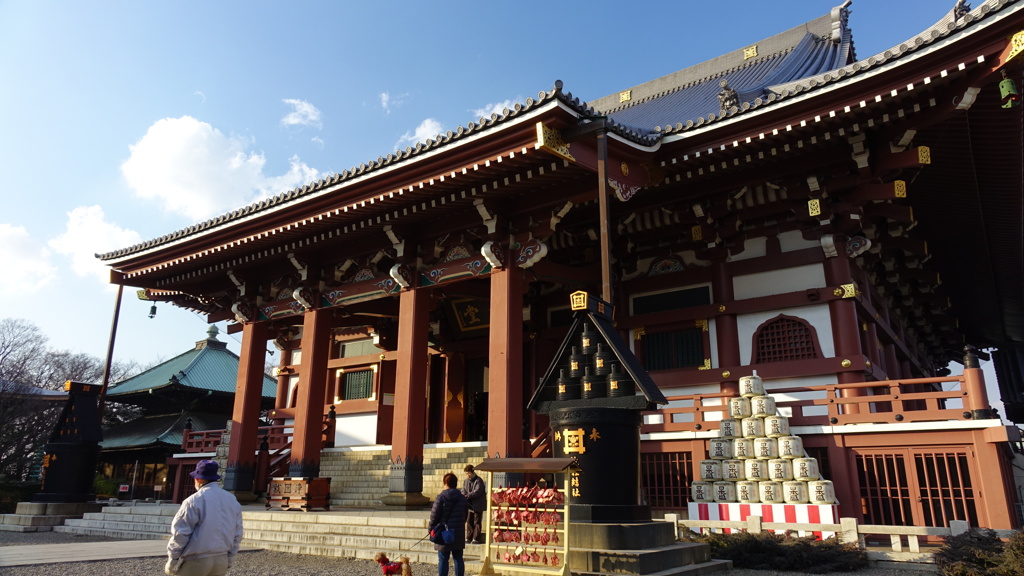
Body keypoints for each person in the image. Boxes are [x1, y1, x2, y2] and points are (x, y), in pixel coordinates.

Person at [165, 460, 244, 576]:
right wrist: (230, 558)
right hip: (221, 558)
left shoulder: (193, 500)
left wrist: (173, 560)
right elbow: (237, 533)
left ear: (198, 479)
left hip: (196, 559)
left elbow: (181, 533)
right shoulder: (231, 499)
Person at [430, 471, 468, 576]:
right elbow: (465, 515)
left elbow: (434, 516)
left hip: (443, 532)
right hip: (458, 532)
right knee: (458, 558)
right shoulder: (462, 498)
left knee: (443, 559)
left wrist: (431, 529)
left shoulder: (441, 497)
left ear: (445, 483)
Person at [461, 464, 486, 544]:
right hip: (469, 505)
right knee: (469, 521)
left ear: (472, 472)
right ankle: (468, 537)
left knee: (477, 522)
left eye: (468, 473)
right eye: (466, 474)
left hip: (477, 505)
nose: (467, 475)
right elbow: (463, 489)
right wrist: (464, 494)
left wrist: (468, 495)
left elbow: (478, 491)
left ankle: (476, 538)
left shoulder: (479, 480)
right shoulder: (466, 481)